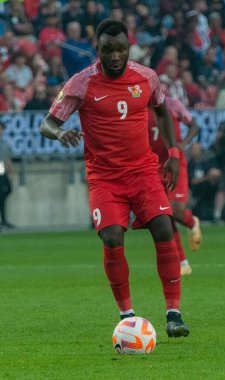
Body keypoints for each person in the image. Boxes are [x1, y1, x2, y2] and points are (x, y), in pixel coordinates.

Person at [40, 19, 190, 338]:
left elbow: (163, 111)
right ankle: (127, 317)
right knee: (111, 237)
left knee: (165, 227)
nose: (116, 56)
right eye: (108, 50)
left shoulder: (146, 77)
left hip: (143, 171)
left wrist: (174, 155)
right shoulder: (81, 83)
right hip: (105, 178)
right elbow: (47, 123)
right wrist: (61, 132)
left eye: (121, 49)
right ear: (98, 50)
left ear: (128, 48)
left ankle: (174, 314)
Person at [148, 96, 202, 277]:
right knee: (164, 215)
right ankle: (183, 262)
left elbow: (194, 125)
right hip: (153, 166)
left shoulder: (172, 104)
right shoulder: (137, 105)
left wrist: (183, 144)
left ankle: (191, 221)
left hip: (175, 162)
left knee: (176, 211)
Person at [0, 121, 16, 229]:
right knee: (2, 193)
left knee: (8, 189)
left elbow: (7, 158)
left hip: (1, 169)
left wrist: (12, 172)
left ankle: (4, 220)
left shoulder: (4, 142)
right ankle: (4, 220)